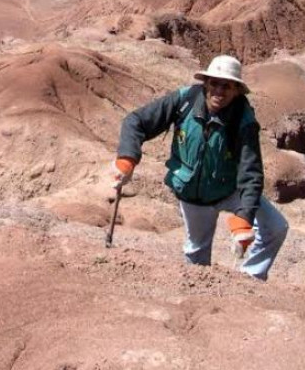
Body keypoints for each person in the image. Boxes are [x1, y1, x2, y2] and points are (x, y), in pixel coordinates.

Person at [112, 55, 288, 280]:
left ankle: (249, 279)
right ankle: (200, 292)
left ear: (236, 90)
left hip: (229, 188)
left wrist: (244, 217)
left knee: (276, 227)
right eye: (214, 83)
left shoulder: (243, 121)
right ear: (205, 82)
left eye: (227, 86)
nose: (219, 91)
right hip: (193, 194)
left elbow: (250, 172)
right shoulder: (184, 100)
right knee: (197, 255)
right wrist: (127, 159)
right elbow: (136, 121)